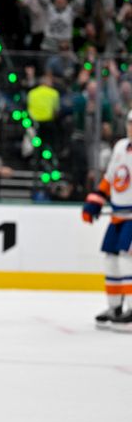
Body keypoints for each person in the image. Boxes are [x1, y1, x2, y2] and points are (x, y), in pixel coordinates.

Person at [83, 109, 132, 328]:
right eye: (130, 123)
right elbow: (110, 177)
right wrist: (96, 200)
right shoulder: (121, 147)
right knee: (111, 259)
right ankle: (115, 306)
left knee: (127, 260)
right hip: (117, 215)